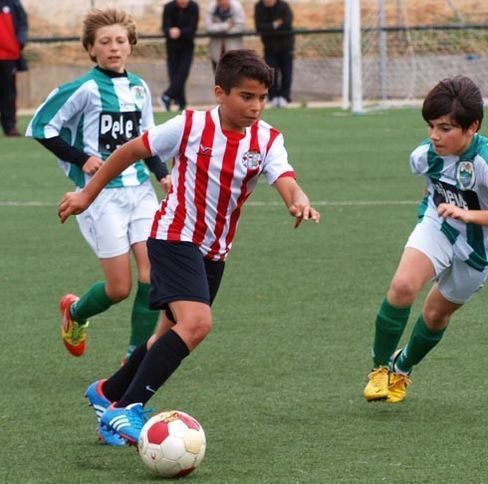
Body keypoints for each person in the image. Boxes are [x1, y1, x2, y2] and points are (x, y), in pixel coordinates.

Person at [58, 49, 320, 445]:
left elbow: (284, 177)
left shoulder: (267, 140)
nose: (255, 106)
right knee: (196, 325)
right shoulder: (191, 126)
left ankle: (109, 392)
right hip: (172, 237)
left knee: (166, 335)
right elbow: (131, 151)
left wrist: (297, 199)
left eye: (262, 98)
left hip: (214, 252)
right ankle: (125, 410)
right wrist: (87, 195)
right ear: (220, 92)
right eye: (246, 96)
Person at [362, 76, 488, 404]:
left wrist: (470, 215)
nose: (434, 136)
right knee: (402, 286)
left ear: (473, 127)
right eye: (431, 126)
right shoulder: (425, 155)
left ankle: (403, 366)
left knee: (435, 315)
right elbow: (429, 183)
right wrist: (438, 211)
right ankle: (379, 368)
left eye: (445, 128)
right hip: (439, 226)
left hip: (480, 250)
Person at [28, 7, 171, 367]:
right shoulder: (85, 88)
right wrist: (81, 158)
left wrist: (161, 173)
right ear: (91, 49)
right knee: (119, 288)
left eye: (120, 41)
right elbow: (41, 126)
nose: (113, 47)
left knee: (152, 275)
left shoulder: (139, 88)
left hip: (139, 191)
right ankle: (75, 312)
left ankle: (134, 356)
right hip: (100, 195)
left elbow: (145, 138)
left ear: (131, 46)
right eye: (104, 42)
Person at [160, 0, 199, 111]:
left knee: (183, 72)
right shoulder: (169, 7)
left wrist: (180, 32)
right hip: (172, 46)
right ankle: (181, 102)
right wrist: (170, 31)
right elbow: (165, 27)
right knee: (174, 74)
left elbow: (192, 28)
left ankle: (167, 95)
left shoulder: (194, 7)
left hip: (187, 46)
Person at [254, 0, 294, 107]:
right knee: (270, 73)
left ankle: (284, 97)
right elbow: (259, 27)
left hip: (286, 46)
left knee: (287, 73)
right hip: (269, 47)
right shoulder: (259, 7)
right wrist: (275, 24)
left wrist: (270, 27)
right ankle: (273, 97)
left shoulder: (284, 6)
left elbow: (287, 23)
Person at [0, 0, 28, 137]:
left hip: (8, 57)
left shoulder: (12, 2)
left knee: (9, 93)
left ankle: (10, 126)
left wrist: (20, 41)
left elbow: (23, 21)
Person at [205, 0, 245, 72]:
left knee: (234, 77)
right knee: (218, 75)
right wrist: (226, 26)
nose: (222, 2)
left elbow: (240, 27)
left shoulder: (236, 7)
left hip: (233, 49)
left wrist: (218, 29)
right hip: (217, 49)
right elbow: (208, 28)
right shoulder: (211, 8)